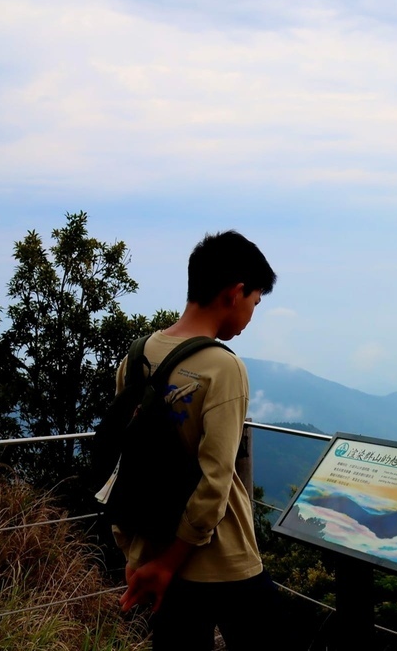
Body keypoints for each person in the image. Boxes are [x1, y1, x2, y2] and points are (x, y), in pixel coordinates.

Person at [114, 230, 288, 650]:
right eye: (254, 302)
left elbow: (120, 462)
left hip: (156, 554)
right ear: (235, 292)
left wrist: (141, 555)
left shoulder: (137, 356)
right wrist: (171, 563)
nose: (250, 315)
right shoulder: (221, 367)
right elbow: (215, 482)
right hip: (221, 562)